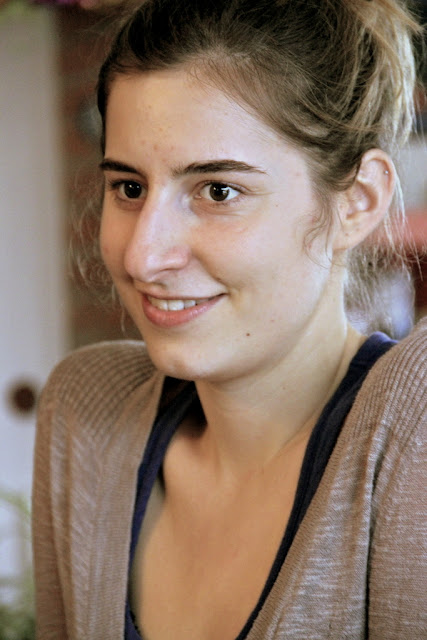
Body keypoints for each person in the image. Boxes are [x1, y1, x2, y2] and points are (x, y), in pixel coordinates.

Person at [32, 0, 427, 638]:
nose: (142, 256)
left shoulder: (408, 431)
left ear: (357, 202)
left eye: (218, 191)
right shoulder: (88, 414)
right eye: (129, 188)